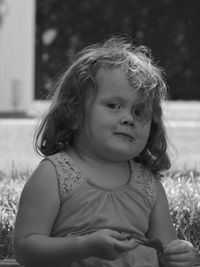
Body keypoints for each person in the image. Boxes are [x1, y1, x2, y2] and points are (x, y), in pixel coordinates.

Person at [13, 36, 195, 267]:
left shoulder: (150, 186)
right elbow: (25, 249)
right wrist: (86, 245)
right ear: (75, 113)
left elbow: (165, 251)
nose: (128, 118)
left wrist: (177, 255)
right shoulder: (55, 175)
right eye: (113, 106)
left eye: (139, 112)